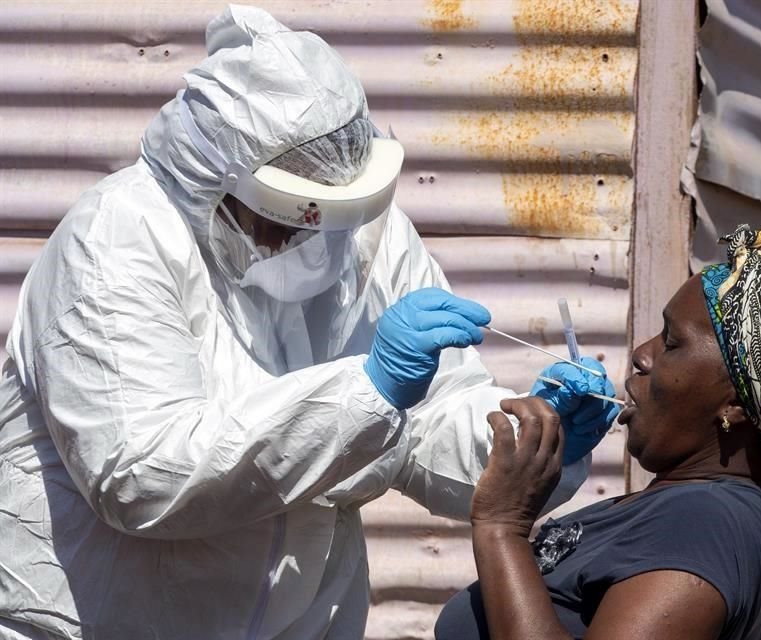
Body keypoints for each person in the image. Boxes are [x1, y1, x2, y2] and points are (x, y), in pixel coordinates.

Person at [0, 6, 620, 639]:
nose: (314, 244)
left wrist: (529, 441)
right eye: (288, 218)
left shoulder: (364, 234)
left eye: (332, 215)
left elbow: (429, 422)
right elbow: (141, 475)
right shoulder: (117, 238)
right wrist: (365, 395)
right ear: (215, 185)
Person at [435, 224, 761, 640]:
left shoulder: (704, 522)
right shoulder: (687, 509)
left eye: (671, 342)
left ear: (737, 403)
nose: (641, 355)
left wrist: (502, 525)